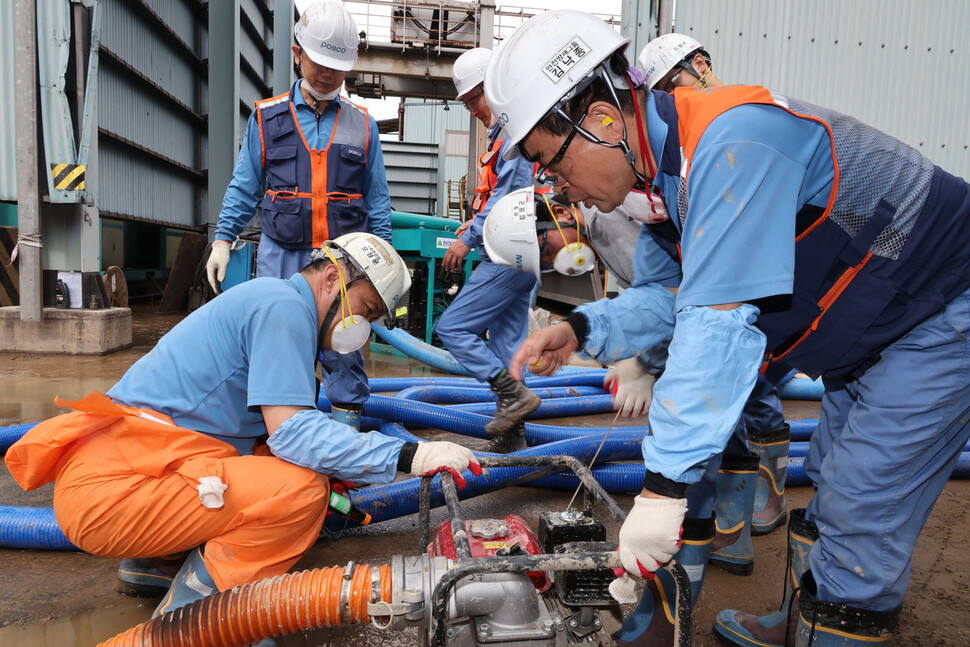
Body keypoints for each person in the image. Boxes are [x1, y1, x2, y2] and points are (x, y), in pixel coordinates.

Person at [487, 9, 970, 647]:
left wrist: (661, 493)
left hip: (939, 312)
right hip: (871, 334)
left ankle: (835, 627)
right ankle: (801, 625)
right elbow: (672, 296)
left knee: (861, 504)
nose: (559, 188)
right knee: (827, 473)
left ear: (601, 121)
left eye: (551, 162)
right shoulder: (662, 187)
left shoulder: (731, 140)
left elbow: (716, 324)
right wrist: (580, 326)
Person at [5, 233, 481, 629]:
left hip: (118, 478)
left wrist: (341, 459)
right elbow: (293, 433)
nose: (364, 327)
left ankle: (155, 563)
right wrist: (410, 455)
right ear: (335, 277)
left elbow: (259, 435)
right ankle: (196, 617)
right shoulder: (283, 310)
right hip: (111, 495)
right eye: (368, 308)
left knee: (282, 471)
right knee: (301, 493)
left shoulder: (274, 303)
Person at [205, 0, 392, 432]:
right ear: (297, 53)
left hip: (342, 266)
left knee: (345, 352)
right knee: (278, 352)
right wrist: (222, 238)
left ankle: (345, 440)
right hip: (281, 258)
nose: (328, 74)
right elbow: (245, 184)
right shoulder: (267, 118)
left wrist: (380, 263)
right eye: (320, 62)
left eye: (337, 66)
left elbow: (378, 202)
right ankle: (278, 442)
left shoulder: (363, 125)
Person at [640, 32, 793, 549]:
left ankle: (763, 504)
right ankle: (733, 530)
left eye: (672, 84)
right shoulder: (674, 150)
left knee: (754, 389)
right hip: (720, 289)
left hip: (763, 290)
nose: (667, 101)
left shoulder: (746, 120)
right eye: (658, 93)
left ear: (701, 64)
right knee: (728, 402)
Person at [433, 47, 542, 453]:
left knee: (452, 327)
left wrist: (468, 238)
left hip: (508, 252)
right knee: (508, 345)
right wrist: (475, 221)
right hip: (521, 251)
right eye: (466, 103)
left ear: (494, 87)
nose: (473, 110)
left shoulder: (514, 132)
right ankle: (514, 435)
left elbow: (510, 194)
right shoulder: (506, 133)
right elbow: (499, 195)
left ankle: (512, 396)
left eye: (475, 98)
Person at [638, 32, 721, 93]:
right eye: (666, 94)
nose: (674, 95)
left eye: (674, 84)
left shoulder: (732, 108)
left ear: (699, 63)